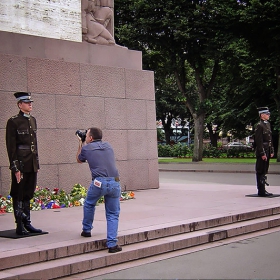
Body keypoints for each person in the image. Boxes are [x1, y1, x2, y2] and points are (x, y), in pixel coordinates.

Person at [76, 127, 122, 253]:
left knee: (90, 204)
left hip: (99, 182)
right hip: (115, 181)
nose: (86, 137)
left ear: (90, 138)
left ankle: (86, 230)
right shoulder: (108, 146)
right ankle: (112, 244)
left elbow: (79, 159)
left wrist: (80, 141)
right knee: (113, 214)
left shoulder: (86, 148)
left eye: (87, 135)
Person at [6, 92, 42, 235]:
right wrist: (15, 167)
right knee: (18, 193)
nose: (30, 104)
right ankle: (19, 225)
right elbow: (11, 147)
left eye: (30, 102)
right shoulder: (13, 121)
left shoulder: (32, 120)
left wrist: (36, 164)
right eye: (27, 103)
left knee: (28, 193)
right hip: (20, 163)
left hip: (31, 163)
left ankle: (27, 223)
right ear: (20, 105)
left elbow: (35, 145)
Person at [254, 107, 274, 197]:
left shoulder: (268, 124)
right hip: (263, 151)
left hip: (267, 150)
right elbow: (259, 141)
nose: (268, 115)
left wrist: (271, 150)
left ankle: (263, 189)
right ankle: (261, 190)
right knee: (260, 170)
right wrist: (262, 153)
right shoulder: (259, 125)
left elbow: (270, 139)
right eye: (267, 114)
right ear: (262, 115)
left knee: (265, 170)